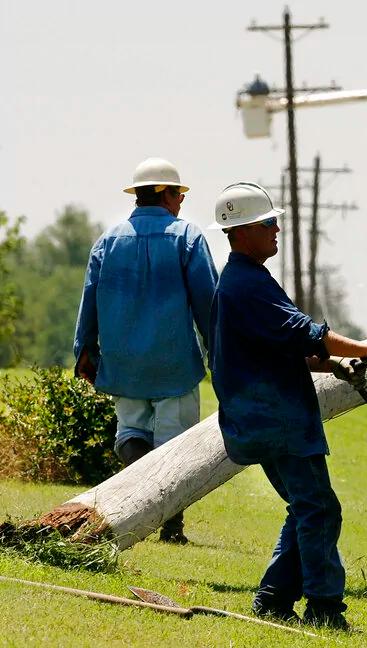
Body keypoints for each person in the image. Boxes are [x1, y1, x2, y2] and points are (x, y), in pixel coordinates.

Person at [207, 182, 367, 629]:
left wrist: (334, 365)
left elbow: (276, 346)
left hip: (261, 417)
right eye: (268, 224)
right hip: (278, 418)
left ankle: (275, 598)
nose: (278, 229)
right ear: (241, 233)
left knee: (307, 506)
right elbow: (304, 331)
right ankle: (322, 608)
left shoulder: (241, 282)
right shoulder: (247, 284)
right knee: (318, 508)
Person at [73, 157, 218, 544]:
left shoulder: (108, 239)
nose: (182, 202)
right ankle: (170, 523)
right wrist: (218, 350)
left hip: (123, 361)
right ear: (167, 195)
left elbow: (89, 300)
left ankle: (142, 503)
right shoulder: (187, 237)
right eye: (179, 194)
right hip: (174, 362)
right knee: (175, 446)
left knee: (131, 432)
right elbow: (208, 303)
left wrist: (84, 351)